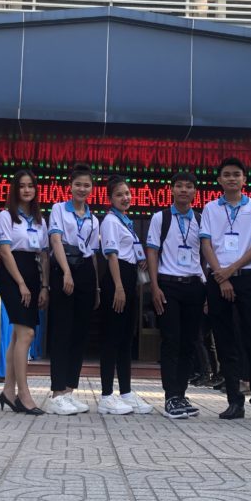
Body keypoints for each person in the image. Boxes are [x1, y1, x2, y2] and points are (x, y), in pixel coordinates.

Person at [200, 157, 251, 421]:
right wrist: (222, 277)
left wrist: (231, 272)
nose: (231, 178)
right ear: (219, 180)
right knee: (224, 340)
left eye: (236, 174)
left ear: (244, 179)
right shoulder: (210, 208)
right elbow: (206, 245)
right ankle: (234, 401)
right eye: (226, 175)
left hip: (245, 278)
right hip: (218, 280)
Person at [147, 171, 206, 420]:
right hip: (168, 285)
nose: (184, 190)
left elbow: (205, 254)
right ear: (171, 190)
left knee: (190, 342)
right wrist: (154, 286)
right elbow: (152, 252)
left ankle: (181, 393)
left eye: (189, 186)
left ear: (195, 192)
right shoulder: (161, 217)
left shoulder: (201, 219)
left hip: (194, 285)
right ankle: (171, 396)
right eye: (179, 186)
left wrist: (205, 289)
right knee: (171, 340)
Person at [46, 164, 100, 415]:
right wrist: (66, 271)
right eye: (78, 184)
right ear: (70, 185)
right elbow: (56, 239)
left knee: (80, 333)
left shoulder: (93, 218)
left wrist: (97, 286)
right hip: (64, 268)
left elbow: (94, 255)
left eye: (86, 185)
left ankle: (69, 390)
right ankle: (57, 392)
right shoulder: (58, 209)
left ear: (92, 188)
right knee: (62, 331)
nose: (82, 189)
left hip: (87, 272)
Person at [0, 169, 50, 415]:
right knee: (26, 333)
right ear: (15, 190)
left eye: (31, 186)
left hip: (33, 272)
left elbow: (45, 254)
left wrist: (44, 285)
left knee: (19, 335)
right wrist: (21, 284)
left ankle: (8, 391)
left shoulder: (39, 219)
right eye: (22, 186)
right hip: (12, 274)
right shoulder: (6, 216)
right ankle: (23, 394)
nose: (27, 190)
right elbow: (5, 252)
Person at [98, 175, 153, 415]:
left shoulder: (126, 221)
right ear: (110, 198)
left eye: (128, 193)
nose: (125, 198)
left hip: (129, 278)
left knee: (125, 339)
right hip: (116, 280)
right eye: (119, 194)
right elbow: (111, 256)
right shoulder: (110, 221)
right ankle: (107, 395)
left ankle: (127, 391)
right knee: (111, 338)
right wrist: (119, 287)